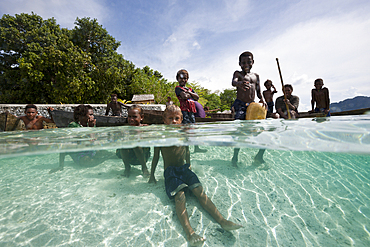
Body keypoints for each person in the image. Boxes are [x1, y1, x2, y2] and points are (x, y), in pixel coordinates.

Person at [149, 105, 242, 246]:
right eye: (170, 118)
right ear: (164, 120)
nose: (174, 121)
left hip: (184, 169)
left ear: (181, 120)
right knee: (180, 196)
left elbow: (186, 151)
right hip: (171, 172)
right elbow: (156, 157)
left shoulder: (184, 134)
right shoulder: (161, 137)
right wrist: (152, 175)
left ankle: (222, 221)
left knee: (200, 191)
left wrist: (189, 164)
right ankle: (190, 232)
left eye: (177, 118)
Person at [231, 51, 265, 166]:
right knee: (240, 132)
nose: (246, 64)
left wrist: (262, 100)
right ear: (240, 63)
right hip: (240, 105)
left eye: (248, 61)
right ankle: (235, 157)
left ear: (253, 62)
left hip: (252, 106)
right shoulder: (238, 74)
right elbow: (233, 82)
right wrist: (239, 83)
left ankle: (259, 156)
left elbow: (259, 92)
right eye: (243, 62)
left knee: (261, 132)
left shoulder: (256, 76)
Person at [49, 104, 97, 173]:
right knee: (87, 162)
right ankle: (60, 166)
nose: (92, 117)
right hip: (79, 153)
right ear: (80, 116)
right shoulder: (74, 125)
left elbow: (94, 141)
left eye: (92, 114)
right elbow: (86, 141)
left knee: (107, 155)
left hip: (90, 150)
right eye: (90, 115)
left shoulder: (90, 124)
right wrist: (90, 128)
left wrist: (91, 127)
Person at [175, 69, 207, 153]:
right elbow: (184, 96)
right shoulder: (178, 88)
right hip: (184, 111)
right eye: (181, 78)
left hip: (191, 112)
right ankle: (186, 149)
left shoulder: (190, 89)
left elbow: (197, 97)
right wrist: (191, 94)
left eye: (185, 78)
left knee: (194, 128)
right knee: (186, 130)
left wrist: (190, 93)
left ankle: (196, 148)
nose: (183, 80)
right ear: (177, 79)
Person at [118, 105, 150, 177]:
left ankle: (144, 168)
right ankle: (127, 167)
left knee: (136, 144)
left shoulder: (145, 128)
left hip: (143, 156)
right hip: (129, 157)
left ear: (141, 117)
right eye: (129, 116)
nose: (131, 119)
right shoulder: (125, 130)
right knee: (123, 144)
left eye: (134, 117)